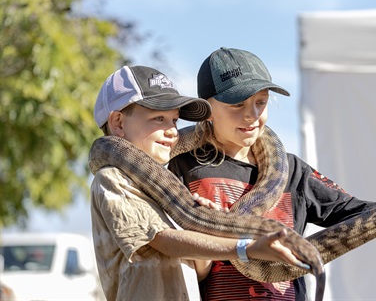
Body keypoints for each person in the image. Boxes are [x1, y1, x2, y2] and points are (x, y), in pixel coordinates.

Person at [168, 47, 376, 300]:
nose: (253, 115)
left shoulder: (293, 171)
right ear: (207, 109)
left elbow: (353, 212)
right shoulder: (183, 167)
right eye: (237, 105)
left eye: (261, 102)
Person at [89, 65, 312, 301]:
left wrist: (203, 224)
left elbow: (199, 271)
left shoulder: (163, 192)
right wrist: (244, 248)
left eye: (174, 121)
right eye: (159, 118)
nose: (173, 132)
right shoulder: (111, 179)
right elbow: (164, 241)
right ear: (118, 123)